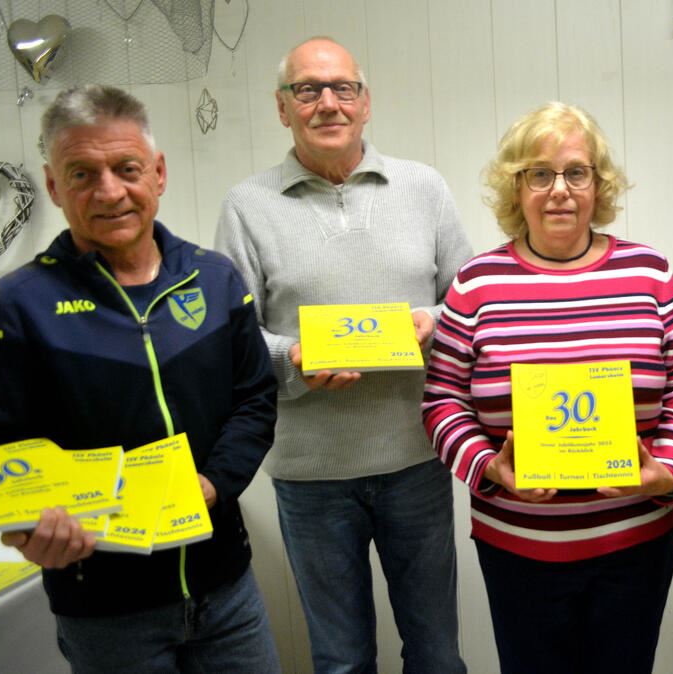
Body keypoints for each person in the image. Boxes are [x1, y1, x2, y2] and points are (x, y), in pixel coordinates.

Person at [0, 85, 279, 671]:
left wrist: (213, 484)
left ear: (159, 173)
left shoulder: (214, 279)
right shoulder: (16, 307)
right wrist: (23, 527)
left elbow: (253, 400)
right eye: (81, 174)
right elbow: (2, 447)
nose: (110, 192)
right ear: (53, 187)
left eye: (126, 169)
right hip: (103, 611)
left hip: (225, 588)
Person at [422, 101, 673, 674]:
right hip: (518, 548)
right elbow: (442, 402)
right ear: (516, 186)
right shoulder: (477, 284)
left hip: (634, 542)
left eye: (576, 172)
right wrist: (489, 468)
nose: (559, 189)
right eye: (539, 173)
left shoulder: (648, 273)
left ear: (597, 185)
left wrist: (669, 471)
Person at [215, 37, 472, 673]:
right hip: (310, 475)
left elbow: (471, 302)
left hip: (415, 458)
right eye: (308, 90)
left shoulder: (424, 188)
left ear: (365, 103)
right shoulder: (247, 206)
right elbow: (233, 336)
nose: (327, 103)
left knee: (438, 655)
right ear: (283, 108)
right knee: (340, 660)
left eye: (342, 89)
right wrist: (295, 357)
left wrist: (431, 322)